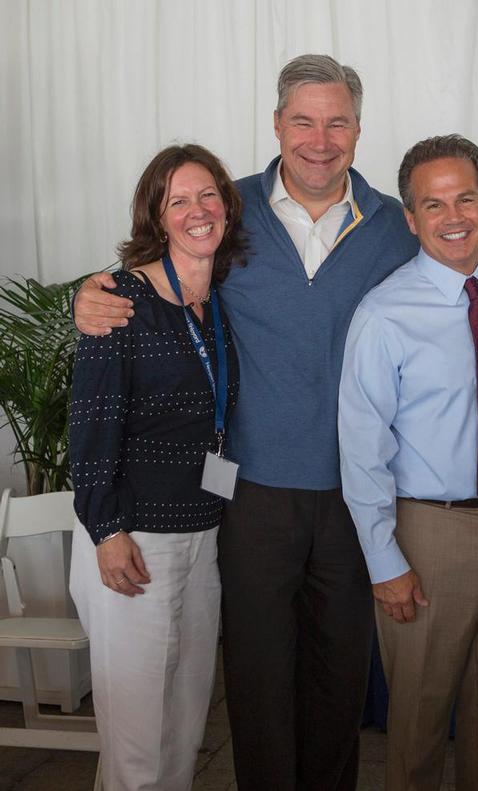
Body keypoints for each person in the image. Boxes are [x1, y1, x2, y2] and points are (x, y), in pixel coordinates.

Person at [72, 55, 419, 791]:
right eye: (303, 121)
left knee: (337, 687)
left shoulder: (396, 226)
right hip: (253, 493)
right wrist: (90, 293)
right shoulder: (232, 211)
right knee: (258, 686)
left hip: (357, 494)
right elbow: (158, 269)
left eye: (336, 123)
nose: (319, 139)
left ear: (359, 130)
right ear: (276, 125)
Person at [338, 135, 478, 791]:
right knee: (420, 725)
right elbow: (362, 447)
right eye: (433, 204)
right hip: (429, 535)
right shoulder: (383, 313)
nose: (453, 216)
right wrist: (383, 561)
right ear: (410, 217)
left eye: (465, 198)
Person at [68, 143, 244, 791]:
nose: (197, 211)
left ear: (225, 205)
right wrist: (106, 530)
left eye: (207, 195)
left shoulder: (219, 300)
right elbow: (88, 426)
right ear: (156, 215)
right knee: (136, 747)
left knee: (184, 733)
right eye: (178, 200)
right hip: (133, 541)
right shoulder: (119, 300)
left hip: (202, 533)